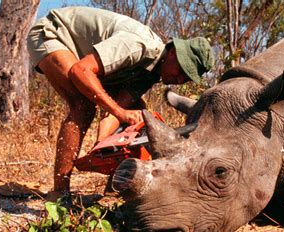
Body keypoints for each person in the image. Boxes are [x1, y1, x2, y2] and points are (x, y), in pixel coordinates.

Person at [27, 6, 214, 202]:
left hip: (85, 59)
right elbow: (81, 71)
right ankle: (60, 194)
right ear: (174, 53)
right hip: (53, 33)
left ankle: (115, 190)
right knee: (82, 106)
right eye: (182, 71)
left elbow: (118, 110)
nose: (180, 79)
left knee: (138, 115)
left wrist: (105, 146)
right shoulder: (138, 45)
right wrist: (119, 112)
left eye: (187, 78)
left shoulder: (150, 74)